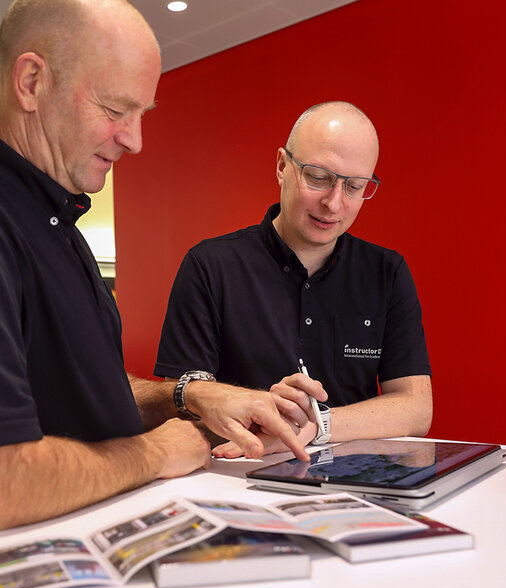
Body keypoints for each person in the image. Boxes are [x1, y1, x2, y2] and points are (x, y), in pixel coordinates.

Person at [0, 0, 307, 532]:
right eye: (115, 110)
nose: (135, 140)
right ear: (30, 81)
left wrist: (188, 396)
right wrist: (156, 452)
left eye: (142, 114)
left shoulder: (57, 226)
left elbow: (82, 389)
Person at [155, 101, 433, 458]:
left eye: (355, 186)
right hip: (240, 472)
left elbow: (416, 408)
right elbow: (182, 404)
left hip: (357, 479)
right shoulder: (210, 265)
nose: (334, 203)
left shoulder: (387, 272)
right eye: (319, 177)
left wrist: (318, 425)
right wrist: (261, 415)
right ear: (282, 166)